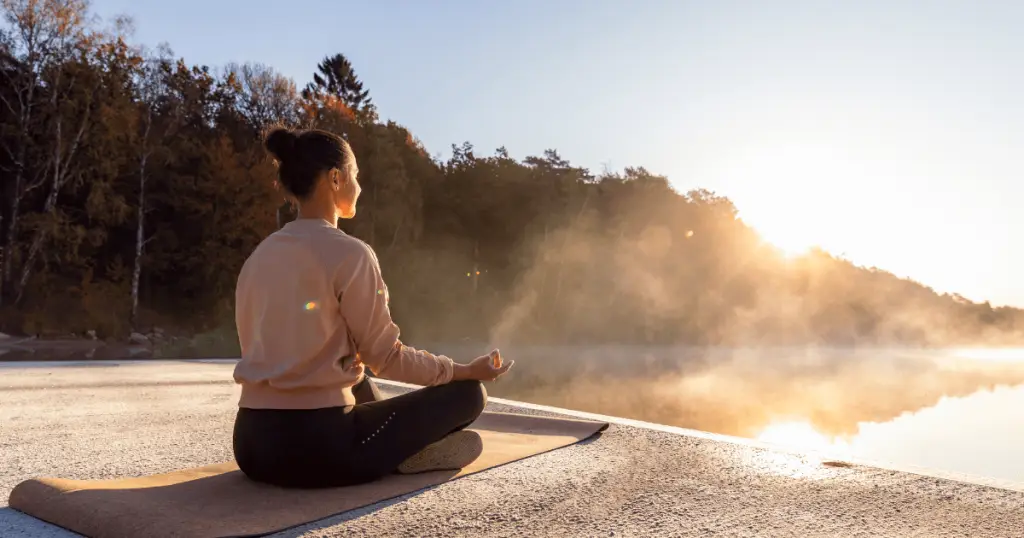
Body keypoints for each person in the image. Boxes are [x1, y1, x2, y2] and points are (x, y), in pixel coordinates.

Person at [231, 127, 514, 489]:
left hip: (251, 447)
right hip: (318, 450)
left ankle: (399, 451)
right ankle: (406, 455)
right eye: (356, 176)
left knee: (359, 375)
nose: (359, 187)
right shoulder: (350, 253)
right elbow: (388, 357)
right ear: (335, 178)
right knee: (470, 394)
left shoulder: (259, 256)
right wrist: (463, 370)